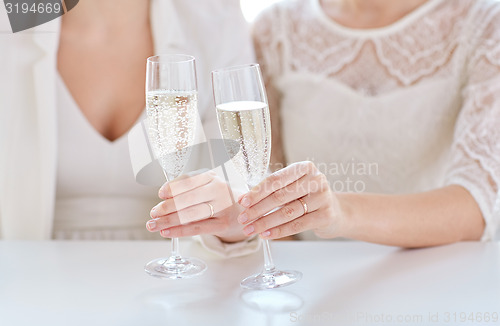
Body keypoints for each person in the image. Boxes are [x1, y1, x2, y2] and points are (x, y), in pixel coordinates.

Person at [230, 0, 500, 247]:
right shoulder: (276, 29)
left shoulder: (483, 24)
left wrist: (342, 212)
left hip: (430, 276)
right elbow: (267, 179)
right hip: (315, 283)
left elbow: (477, 204)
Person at [0, 0, 258, 256]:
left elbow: (238, 182)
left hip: (182, 270)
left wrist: (236, 218)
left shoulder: (216, 18)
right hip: (28, 271)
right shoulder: (9, 22)